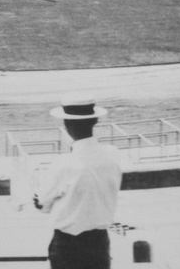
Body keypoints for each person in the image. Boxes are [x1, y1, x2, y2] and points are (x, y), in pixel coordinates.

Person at [33, 95, 122, 269]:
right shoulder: (113, 154)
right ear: (95, 120)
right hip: (99, 243)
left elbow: (43, 204)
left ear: (66, 125)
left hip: (68, 245)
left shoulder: (63, 163)